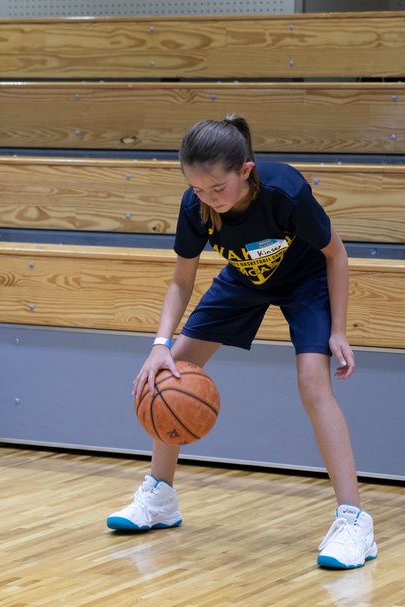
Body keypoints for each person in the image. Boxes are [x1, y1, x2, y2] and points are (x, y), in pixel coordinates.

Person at [106, 114, 377, 570]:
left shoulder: (285, 192)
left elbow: (337, 254)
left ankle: (354, 521)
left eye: (218, 189)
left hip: (305, 281)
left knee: (313, 381)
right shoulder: (195, 207)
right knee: (173, 367)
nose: (208, 198)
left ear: (245, 171)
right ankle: (160, 495)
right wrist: (159, 342)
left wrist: (339, 331)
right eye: (198, 189)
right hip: (244, 277)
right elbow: (181, 280)